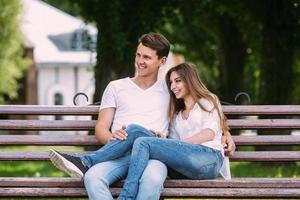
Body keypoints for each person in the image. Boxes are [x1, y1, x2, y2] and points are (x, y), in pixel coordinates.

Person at [49, 33, 235, 200]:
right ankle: (87, 164)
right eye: (138, 55)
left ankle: (86, 161)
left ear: (162, 61)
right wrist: (112, 138)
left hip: (155, 156)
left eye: (147, 57)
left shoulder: (169, 88)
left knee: (151, 180)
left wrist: (224, 134)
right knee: (92, 178)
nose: (140, 61)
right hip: (119, 153)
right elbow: (101, 127)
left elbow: (200, 108)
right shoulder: (116, 87)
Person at [117, 63, 231, 199]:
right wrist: (165, 141)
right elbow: (175, 146)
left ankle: (126, 197)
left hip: (208, 160)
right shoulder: (177, 116)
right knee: (135, 130)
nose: (172, 87)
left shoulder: (207, 100)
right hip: (185, 167)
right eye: (171, 83)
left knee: (143, 143)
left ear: (190, 80)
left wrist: (178, 144)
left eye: (178, 81)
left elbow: (209, 133)